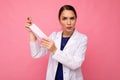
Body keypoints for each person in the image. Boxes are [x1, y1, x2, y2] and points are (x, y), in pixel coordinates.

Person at [25, 5, 87, 80]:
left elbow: (76, 64)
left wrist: (54, 49)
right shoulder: (53, 36)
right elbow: (36, 54)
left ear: (76, 19)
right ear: (59, 20)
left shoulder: (82, 38)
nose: (69, 22)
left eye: (72, 18)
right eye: (64, 19)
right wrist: (32, 32)